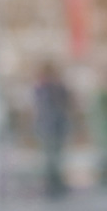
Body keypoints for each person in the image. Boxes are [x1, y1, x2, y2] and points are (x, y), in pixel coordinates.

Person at [33, 61, 72, 198]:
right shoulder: (41, 88)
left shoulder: (57, 87)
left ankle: (57, 182)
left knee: (57, 155)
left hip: (57, 125)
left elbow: (66, 101)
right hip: (48, 126)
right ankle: (51, 183)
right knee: (49, 156)